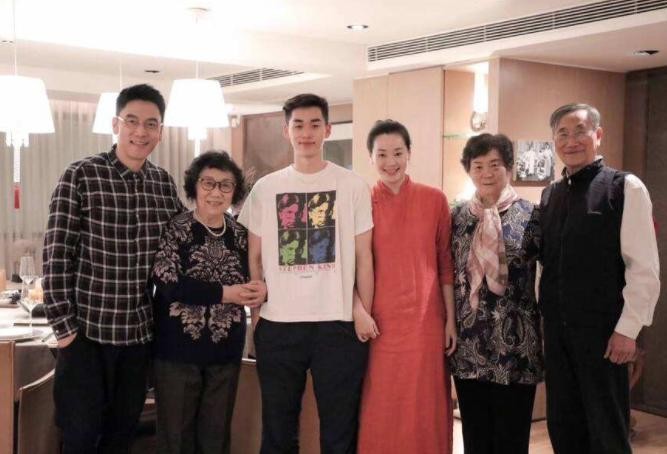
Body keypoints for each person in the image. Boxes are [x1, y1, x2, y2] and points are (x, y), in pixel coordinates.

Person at [42, 84, 184, 453]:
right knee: (80, 439)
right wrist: (66, 332)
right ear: (115, 124)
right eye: (132, 121)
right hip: (86, 337)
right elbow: (56, 255)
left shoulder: (163, 185)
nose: (141, 132)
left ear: (160, 131)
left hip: (137, 339)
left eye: (151, 124)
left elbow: (183, 247)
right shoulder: (81, 176)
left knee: (121, 439)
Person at [238, 93, 374, 453]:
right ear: (287, 131)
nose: (306, 133)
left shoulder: (352, 186)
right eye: (298, 125)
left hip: (338, 326)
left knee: (340, 430)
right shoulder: (266, 188)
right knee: (278, 430)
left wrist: (361, 311)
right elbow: (255, 257)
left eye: (315, 124)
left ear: (327, 130)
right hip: (279, 325)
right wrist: (258, 316)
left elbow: (364, 257)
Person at [538, 103, 660, 454]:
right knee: (564, 427)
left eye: (580, 131)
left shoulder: (624, 188)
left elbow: (644, 267)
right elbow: (547, 266)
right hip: (558, 335)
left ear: (598, 135)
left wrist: (628, 330)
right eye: (562, 134)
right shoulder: (551, 194)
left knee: (607, 431)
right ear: (554, 141)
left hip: (605, 336)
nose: (571, 141)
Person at [151, 151, 266, 454]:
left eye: (225, 185)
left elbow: (260, 277)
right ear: (195, 186)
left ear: (234, 192)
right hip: (176, 354)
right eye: (208, 183)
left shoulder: (241, 235)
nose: (216, 192)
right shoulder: (176, 228)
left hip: (225, 353)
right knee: (176, 441)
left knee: (216, 441)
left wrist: (261, 290)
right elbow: (167, 282)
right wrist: (225, 293)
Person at [356, 120, 455, 453]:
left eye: (398, 153)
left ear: (409, 153)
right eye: (382, 154)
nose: (391, 162)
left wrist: (450, 320)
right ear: (370, 157)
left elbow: (445, 264)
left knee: (425, 403)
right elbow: (348, 267)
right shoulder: (361, 201)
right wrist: (358, 311)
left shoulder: (435, 199)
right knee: (382, 403)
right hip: (379, 323)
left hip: (427, 323)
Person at [450, 133, 544, 454]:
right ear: (468, 170)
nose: (486, 173)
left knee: (511, 440)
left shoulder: (532, 216)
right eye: (478, 166)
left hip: (516, 347)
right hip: (469, 345)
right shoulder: (458, 218)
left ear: (509, 168)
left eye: (495, 164)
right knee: (475, 438)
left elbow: (554, 274)